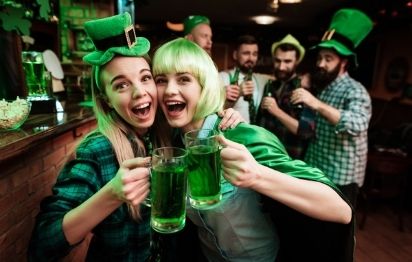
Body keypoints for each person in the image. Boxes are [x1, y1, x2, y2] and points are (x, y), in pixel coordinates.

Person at [27, 13, 242, 261]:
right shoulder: (97, 150)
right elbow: (42, 246)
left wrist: (223, 116)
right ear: (106, 99)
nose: (140, 92)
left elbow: (198, 125)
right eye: (121, 85)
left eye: (145, 78)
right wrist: (111, 194)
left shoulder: (167, 134)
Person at [152, 38, 353, 262]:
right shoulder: (171, 146)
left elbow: (341, 211)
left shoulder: (239, 137)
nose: (169, 90)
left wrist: (257, 175)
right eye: (161, 80)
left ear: (204, 86)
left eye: (183, 79)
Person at [291, 8, 373, 207]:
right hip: (316, 166)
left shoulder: (355, 90)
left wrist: (315, 103)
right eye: (320, 58)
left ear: (343, 62)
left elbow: (358, 124)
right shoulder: (323, 87)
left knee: (338, 231)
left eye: (328, 59)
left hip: (341, 176)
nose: (321, 64)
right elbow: (309, 127)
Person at [256, 34, 315, 159]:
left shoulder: (304, 89)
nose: (281, 67)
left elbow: (306, 132)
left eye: (287, 61)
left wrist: (276, 111)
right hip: (266, 157)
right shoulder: (271, 85)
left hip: (289, 161)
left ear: (297, 61)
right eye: (278, 61)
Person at [219, 34, 272, 124]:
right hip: (232, 133)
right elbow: (214, 112)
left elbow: (279, 77)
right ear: (235, 55)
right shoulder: (222, 77)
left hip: (254, 134)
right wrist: (238, 93)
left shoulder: (259, 79)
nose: (251, 58)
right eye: (246, 53)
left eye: (254, 54)